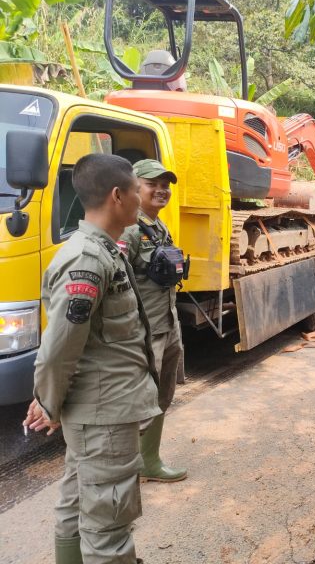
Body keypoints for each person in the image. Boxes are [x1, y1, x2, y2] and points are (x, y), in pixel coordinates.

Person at [23, 153, 161, 564]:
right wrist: (47, 403)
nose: (141, 199)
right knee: (108, 524)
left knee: (78, 500)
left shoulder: (104, 250)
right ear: (118, 195)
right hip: (104, 413)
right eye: (137, 191)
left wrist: (50, 400)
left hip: (98, 408)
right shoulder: (87, 259)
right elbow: (58, 349)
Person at [120, 159, 187, 483]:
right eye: (152, 184)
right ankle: (122, 471)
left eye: (166, 185)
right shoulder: (129, 231)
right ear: (136, 188)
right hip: (144, 333)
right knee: (138, 402)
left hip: (167, 325)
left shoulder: (160, 228)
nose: (161, 190)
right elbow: (117, 287)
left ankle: (150, 461)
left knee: (163, 395)